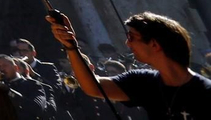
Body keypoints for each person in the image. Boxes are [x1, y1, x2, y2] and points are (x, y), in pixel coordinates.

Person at [49, 10, 211, 118]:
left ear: (154, 44)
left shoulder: (205, 92)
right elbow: (94, 87)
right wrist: (70, 46)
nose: (127, 43)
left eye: (131, 37)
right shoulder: (143, 82)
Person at [0, 55, 57, 119]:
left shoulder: (37, 86)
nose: (2, 70)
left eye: (5, 66)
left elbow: (44, 110)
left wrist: (9, 92)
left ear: (26, 71)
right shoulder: (1, 86)